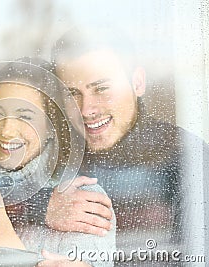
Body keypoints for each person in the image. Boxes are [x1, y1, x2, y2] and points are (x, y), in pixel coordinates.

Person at [37, 26, 209, 264]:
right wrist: (43, 207)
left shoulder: (186, 157)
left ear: (137, 83)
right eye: (73, 93)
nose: (87, 110)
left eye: (102, 88)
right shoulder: (51, 152)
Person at [0, 58, 116, 266]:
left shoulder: (82, 198)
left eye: (25, 116)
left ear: (52, 126)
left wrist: (3, 238)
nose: (7, 130)